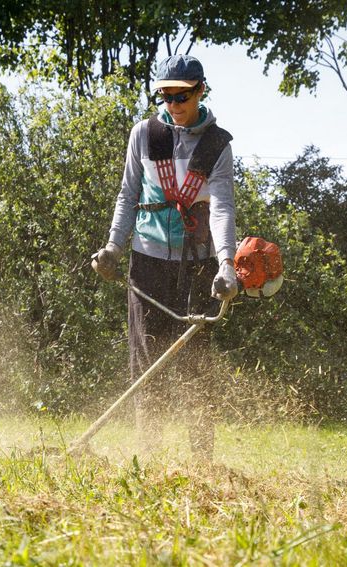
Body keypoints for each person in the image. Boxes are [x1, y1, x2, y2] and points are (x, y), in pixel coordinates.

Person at [92, 54, 238, 461]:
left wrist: (226, 263)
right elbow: (128, 194)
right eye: (166, 96)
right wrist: (113, 248)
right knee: (145, 363)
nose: (173, 105)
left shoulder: (218, 143)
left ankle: (203, 465)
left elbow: (223, 207)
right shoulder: (144, 134)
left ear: (200, 91)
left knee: (196, 367)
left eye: (182, 96)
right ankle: (150, 460)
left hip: (200, 266)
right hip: (148, 261)